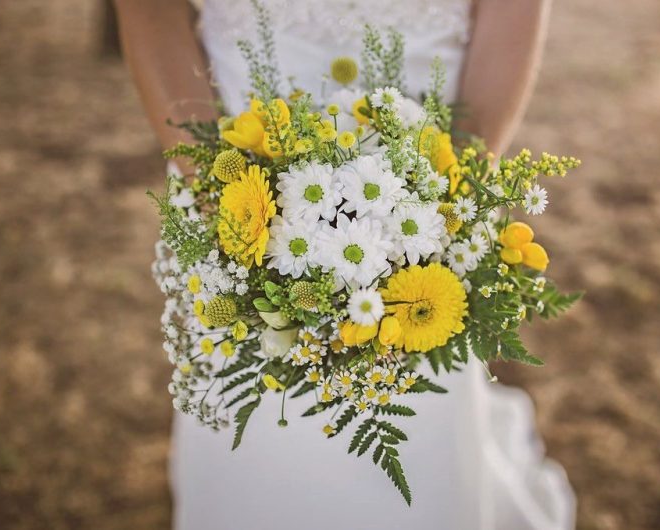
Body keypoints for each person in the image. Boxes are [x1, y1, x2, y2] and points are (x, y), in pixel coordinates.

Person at [115, 1, 575, 528]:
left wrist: (449, 195)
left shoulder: (433, 211)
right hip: (237, 191)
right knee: (254, 443)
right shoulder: (225, 200)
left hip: (425, 197)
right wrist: (211, 185)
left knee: (422, 431)